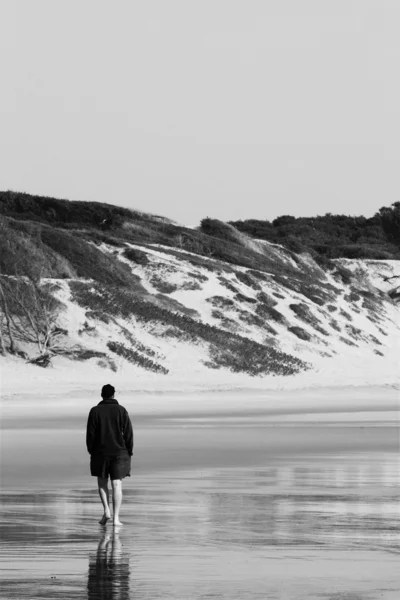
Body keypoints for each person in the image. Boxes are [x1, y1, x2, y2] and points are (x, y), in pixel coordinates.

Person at [86, 384, 133, 526]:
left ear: (102, 395)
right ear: (113, 395)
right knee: (117, 484)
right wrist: (129, 450)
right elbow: (129, 433)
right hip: (119, 452)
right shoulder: (121, 410)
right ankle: (116, 518)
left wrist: (91, 450)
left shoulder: (94, 411)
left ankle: (106, 511)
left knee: (102, 481)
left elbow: (90, 434)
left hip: (100, 452)